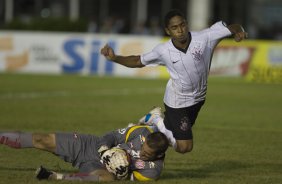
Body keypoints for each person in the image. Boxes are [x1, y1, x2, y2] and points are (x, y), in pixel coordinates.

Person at [100, 9, 248, 154]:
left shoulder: (204, 38)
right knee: (184, 147)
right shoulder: (163, 51)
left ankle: (155, 125)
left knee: (169, 136)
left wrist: (239, 31)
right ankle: (156, 119)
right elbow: (138, 61)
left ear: (187, 24)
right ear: (168, 30)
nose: (180, 30)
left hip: (198, 99)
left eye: (182, 25)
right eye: (174, 27)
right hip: (177, 101)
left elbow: (231, 27)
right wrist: (115, 58)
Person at [0, 124, 169, 182]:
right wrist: (105, 150)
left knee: (106, 179)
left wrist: (122, 171)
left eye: (146, 154)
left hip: (101, 168)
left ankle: (55, 177)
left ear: (159, 155)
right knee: (41, 139)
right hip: (89, 145)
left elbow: (124, 179)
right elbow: (110, 135)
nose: (142, 152)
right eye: (143, 147)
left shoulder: (153, 171)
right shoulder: (141, 132)